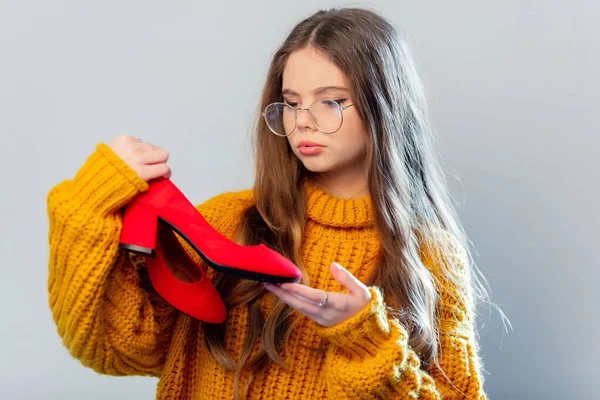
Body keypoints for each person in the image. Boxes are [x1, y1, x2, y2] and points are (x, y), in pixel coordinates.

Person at [47, 7, 492, 400]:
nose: (303, 122)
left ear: (385, 106)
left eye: (331, 101)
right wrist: (90, 202)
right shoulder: (227, 222)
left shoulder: (429, 254)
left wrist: (364, 338)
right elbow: (111, 348)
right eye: (292, 103)